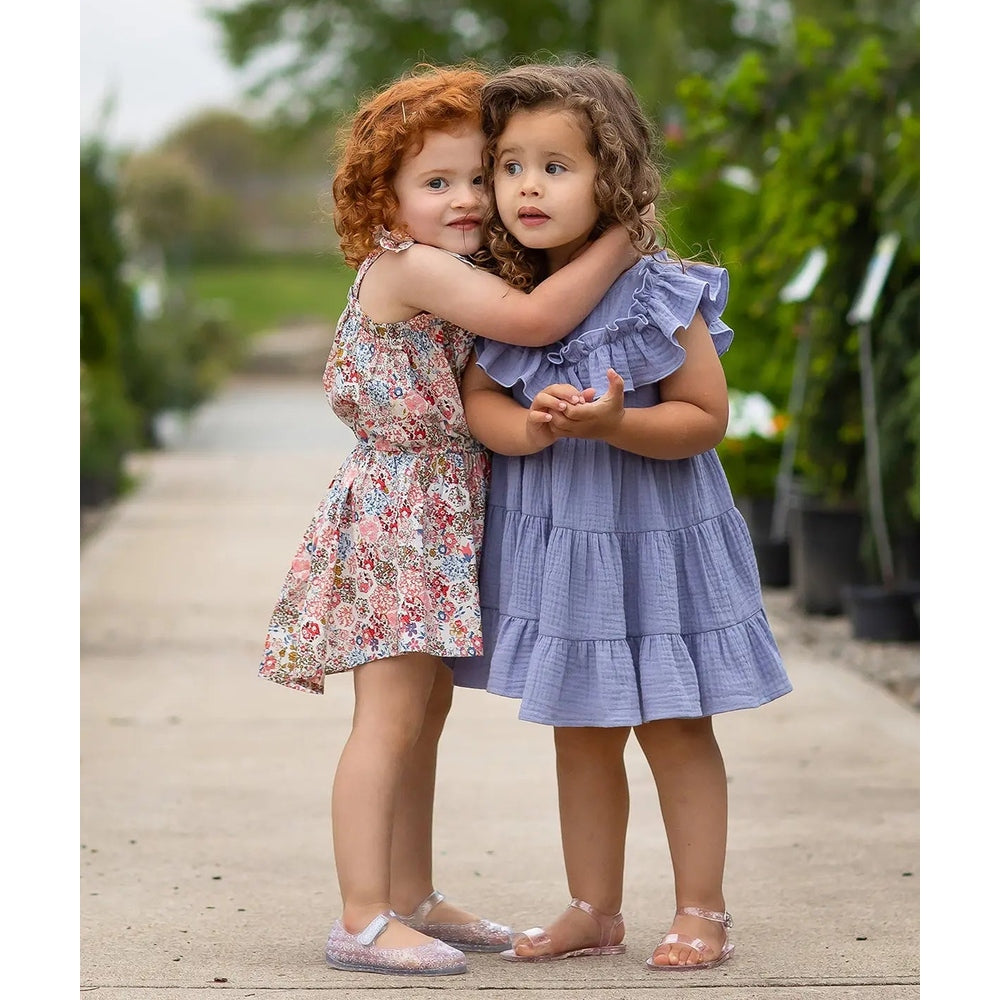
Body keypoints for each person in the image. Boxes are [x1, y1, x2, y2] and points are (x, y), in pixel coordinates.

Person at [257, 63, 640, 978]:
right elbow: (539, 319)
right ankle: (360, 913)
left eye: (481, 176)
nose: (468, 199)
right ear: (382, 195)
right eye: (438, 183)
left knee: (423, 716)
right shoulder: (413, 267)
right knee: (388, 721)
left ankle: (410, 894)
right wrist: (621, 238)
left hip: (437, 508)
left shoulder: (445, 262)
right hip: (401, 517)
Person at [457, 61, 793, 972]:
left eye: (556, 166)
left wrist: (616, 422)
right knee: (583, 727)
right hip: (569, 550)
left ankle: (701, 909)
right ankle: (591, 907)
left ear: (613, 176)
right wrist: (525, 427)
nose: (526, 185)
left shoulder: (656, 290)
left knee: (677, 726)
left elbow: (704, 418)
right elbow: (479, 398)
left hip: (653, 541)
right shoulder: (506, 297)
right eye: (509, 165)